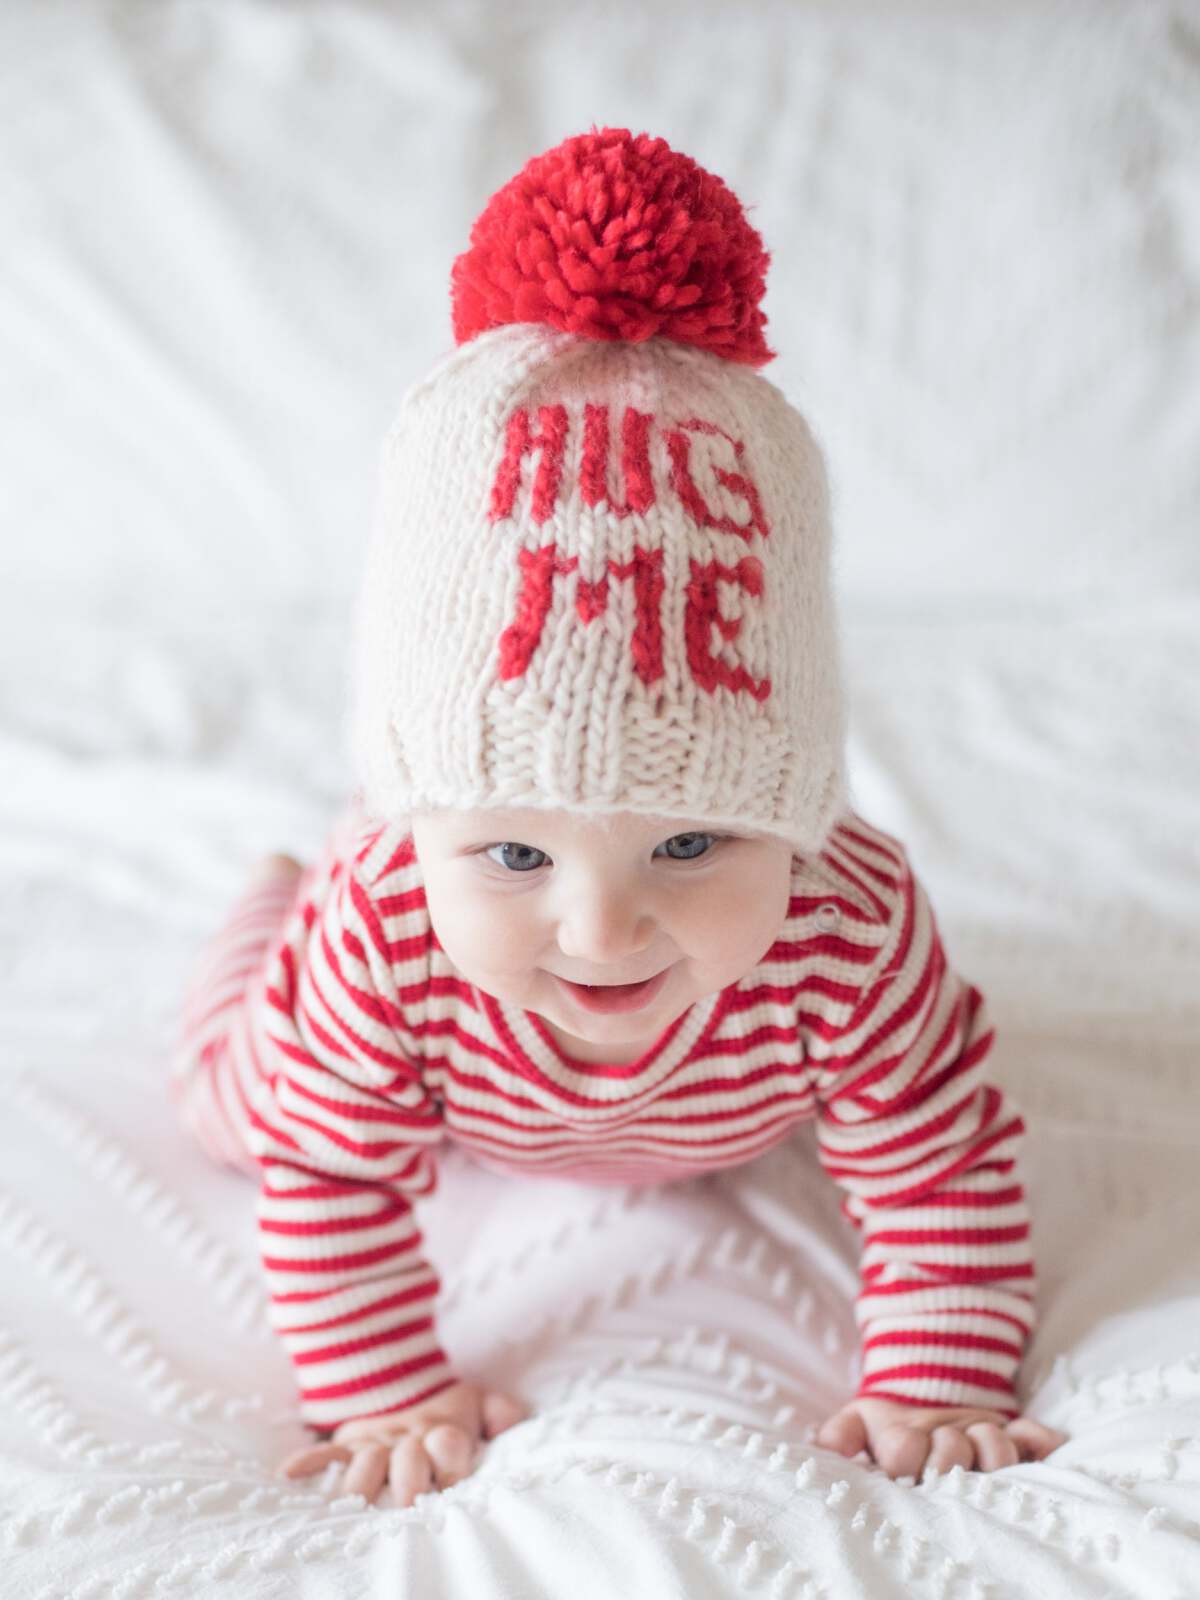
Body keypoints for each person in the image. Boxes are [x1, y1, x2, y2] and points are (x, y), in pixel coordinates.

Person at [170, 125, 1068, 1509]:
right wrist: (391, 1394)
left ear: (792, 814)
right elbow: (328, 1183)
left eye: (691, 842)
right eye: (517, 852)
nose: (600, 926)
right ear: (429, 829)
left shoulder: (851, 920)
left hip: (698, 1092)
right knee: (236, 1103)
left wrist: (937, 1374)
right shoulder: (387, 925)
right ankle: (259, 895)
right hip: (406, 1019)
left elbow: (939, 1152)